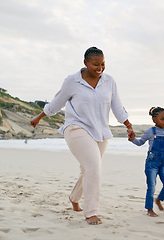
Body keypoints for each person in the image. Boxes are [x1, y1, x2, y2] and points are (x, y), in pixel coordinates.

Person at [30, 47, 135, 225]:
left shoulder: (109, 81)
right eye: (95, 64)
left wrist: (129, 126)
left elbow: (117, 106)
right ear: (85, 63)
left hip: (100, 131)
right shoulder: (72, 81)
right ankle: (91, 212)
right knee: (94, 167)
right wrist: (39, 117)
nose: (100, 67)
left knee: (88, 169)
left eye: (103, 64)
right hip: (76, 128)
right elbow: (57, 103)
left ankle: (74, 197)